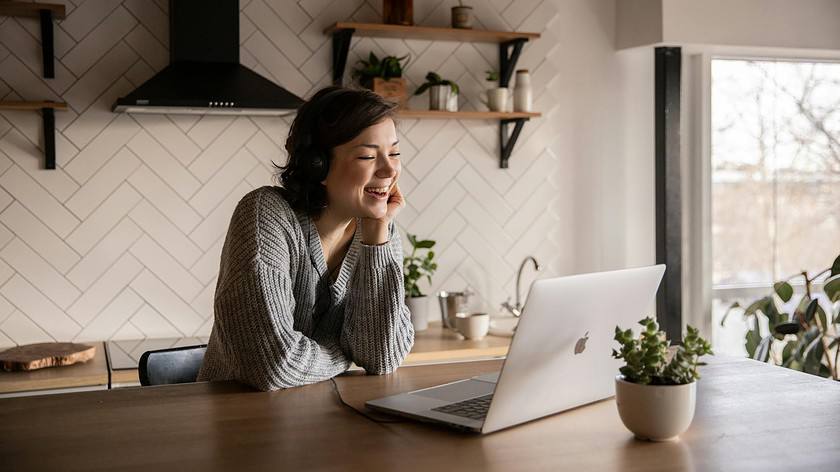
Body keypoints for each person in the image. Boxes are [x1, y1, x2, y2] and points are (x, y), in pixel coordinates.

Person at [197, 87, 415, 391]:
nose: (390, 169)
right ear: (318, 165)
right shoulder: (266, 215)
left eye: (394, 152)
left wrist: (377, 236)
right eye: (367, 155)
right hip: (237, 422)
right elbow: (273, 365)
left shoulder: (380, 233)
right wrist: (343, 352)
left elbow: (381, 357)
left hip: (322, 420)